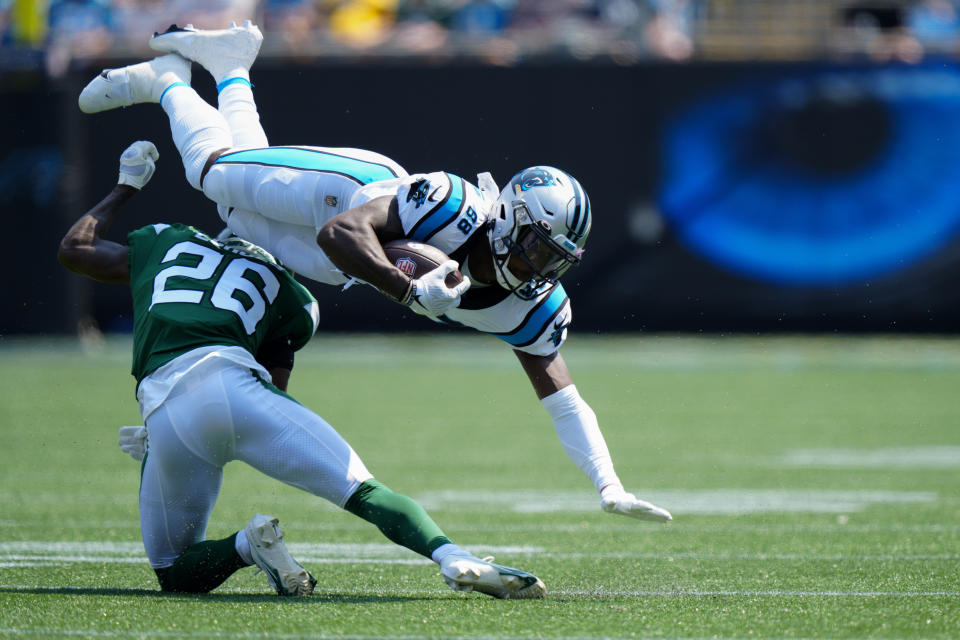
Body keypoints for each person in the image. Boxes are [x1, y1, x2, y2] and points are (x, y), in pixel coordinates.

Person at [77, 22, 673, 524]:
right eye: (539, 251)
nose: (542, 270)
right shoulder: (452, 203)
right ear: (510, 221)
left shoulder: (534, 305)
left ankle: (231, 66)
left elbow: (565, 401)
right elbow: (343, 234)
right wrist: (412, 292)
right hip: (343, 196)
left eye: (556, 259)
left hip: (347, 267)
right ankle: (167, 84)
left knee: (233, 210)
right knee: (211, 174)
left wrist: (608, 485)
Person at [57, 139, 546, 599]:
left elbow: (75, 249)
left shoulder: (168, 242)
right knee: (365, 490)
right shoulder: (295, 295)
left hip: (165, 405)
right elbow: (274, 387)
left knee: (173, 571)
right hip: (238, 387)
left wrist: (127, 184)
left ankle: (248, 545)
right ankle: (450, 554)